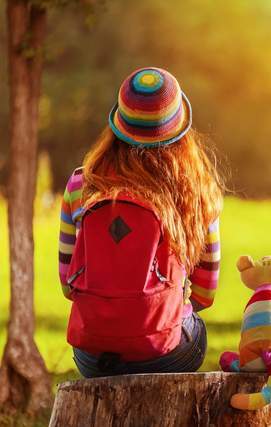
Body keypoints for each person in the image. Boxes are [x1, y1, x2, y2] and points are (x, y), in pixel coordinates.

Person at [58, 67, 224, 377]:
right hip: (166, 354)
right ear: (179, 129)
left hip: (93, 354)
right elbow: (205, 294)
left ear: (117, 124)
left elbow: (69, 285)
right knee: (196, 329)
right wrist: (154, 312)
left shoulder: (81, 185)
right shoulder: (194, 190)